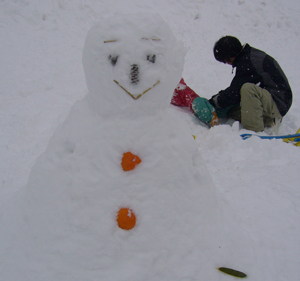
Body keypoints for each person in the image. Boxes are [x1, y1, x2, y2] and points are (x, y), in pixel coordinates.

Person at [171, 36, 293, 132]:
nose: (227, 64)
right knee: (232, 109)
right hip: (268, 100)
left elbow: (235, 92)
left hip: (279, 101)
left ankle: (254, 131)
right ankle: (267, 120)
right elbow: (234, 92)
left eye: (224, 61)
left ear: (229, 56)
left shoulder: (249, 62)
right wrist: (217, 104)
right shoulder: (246, 57)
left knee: (247, 89)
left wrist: (213, 103)